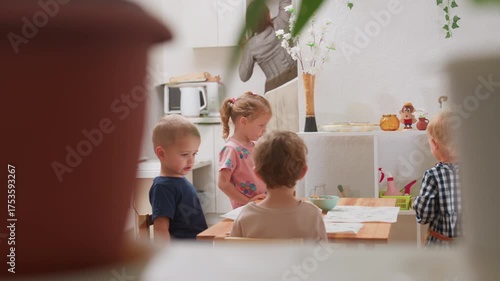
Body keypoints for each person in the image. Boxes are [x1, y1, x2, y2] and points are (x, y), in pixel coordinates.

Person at [230, 131, 327, 241]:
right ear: (303, 172)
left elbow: (233, 254)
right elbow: (322, 254)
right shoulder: (312, 215)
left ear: (257, 174)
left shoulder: (246, 215)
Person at [149, 115, 208, 243]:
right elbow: (160, 230)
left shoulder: (180, 181)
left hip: (197, 250)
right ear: (161, 153)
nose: (191, 160)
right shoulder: (163, 187)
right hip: (183, 254)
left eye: (194, 153)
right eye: (184, 154)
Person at [413, 110, 462, 247]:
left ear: (434, 144)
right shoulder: (479, 173)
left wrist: (416, 202)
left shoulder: (433, 175)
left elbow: (424, 216)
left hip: (441, 246)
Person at [218, 92, 272, 209]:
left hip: (261, 204)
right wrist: (247, 201)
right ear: (243, 122)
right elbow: (223, 183)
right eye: (261, 125)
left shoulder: (255, 145)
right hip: (246, 209)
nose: (264, 130)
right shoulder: (231, 149)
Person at [239, 0, 298, 92]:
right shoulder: (281, 23)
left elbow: (243, 76)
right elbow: (286, 2)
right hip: (295, 78)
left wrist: (245, 48)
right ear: (268, 15)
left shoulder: (250, 46)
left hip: (273, 89)